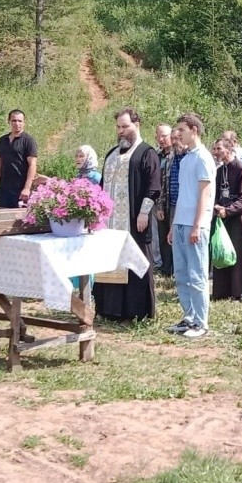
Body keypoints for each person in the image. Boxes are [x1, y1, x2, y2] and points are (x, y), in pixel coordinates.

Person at [94, 107, 161, 322]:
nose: (121, 131)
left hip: (134, 221)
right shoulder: (112, 154)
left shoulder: (146, 153)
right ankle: (109, 309)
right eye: (118, 127)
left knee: (136, 262)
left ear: (137, 125)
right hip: (110, 223)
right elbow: (103, 187)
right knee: (111, 262)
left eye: (125, 127)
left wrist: (144, 213)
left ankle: (137, 310)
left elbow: (153, 186)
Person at [169, 112, 217, 338]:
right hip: (180, 222)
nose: (177, 134)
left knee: (197, 274)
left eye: (181, 130)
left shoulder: (203, 157)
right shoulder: (186, 158)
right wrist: (173, 224)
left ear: (194, 130)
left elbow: (205, 195)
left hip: (195, 225)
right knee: (181, 273)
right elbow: (183, 195)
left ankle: (201, 322)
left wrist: (197, 225)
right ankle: (189, 317)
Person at [211, 137, 242, 301]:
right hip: (223, 217)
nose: (216, 152)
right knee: (222, 251)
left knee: (239, 253)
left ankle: (240, 291)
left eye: (219, 149)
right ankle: (223, 291)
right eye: (215, 149)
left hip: (238, 219)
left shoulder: (240, 169)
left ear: (229, 149)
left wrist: (229, 210)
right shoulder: (220, 171)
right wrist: (217, 207)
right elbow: (216, 194)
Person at [0, 109, 38, 208]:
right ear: (9, 121)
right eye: (14, 120)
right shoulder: (3, 140)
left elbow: (32, 165)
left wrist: (27, 188)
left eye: (20, 121)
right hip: (4, 189)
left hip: (20, 190)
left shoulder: (28, 141)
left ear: (24, 122)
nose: (17, 123)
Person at [156, 128, 188, 277]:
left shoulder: (187, 156)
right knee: (166, 236)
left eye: (177, 138)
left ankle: (178, 269)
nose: (175, 142)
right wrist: (160, 205)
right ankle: (167, 268)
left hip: (183, 203)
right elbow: (162, 183)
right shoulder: (164, 157)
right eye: (173, 139)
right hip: (167, 201)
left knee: (177, 236)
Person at [149, 124, 173, 272]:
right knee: (161, 235)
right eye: (158, 136)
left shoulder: (177, 155)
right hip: (159, 202)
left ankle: (172, 267)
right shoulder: (157, 156)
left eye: (164, 135)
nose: (161, 139)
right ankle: (163, 265)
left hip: (174, 200)